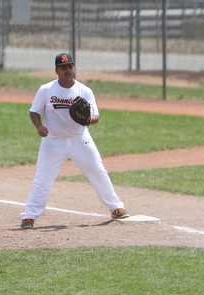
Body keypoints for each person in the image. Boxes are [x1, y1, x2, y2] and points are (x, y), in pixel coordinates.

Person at [20, 52, 129, 229]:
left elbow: (95, 116)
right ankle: (29, 216)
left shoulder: (85, 91)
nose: (67, 70)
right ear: (56, 70)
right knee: (43, 177)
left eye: (70, 66)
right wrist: (39, 127)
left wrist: (87, 120)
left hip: (80, 139)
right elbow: (34, 112)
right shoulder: (46, 90)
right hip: (53, 141)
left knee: (97, 170)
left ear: (74, 68)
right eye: (63, 67)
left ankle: (116, 207)